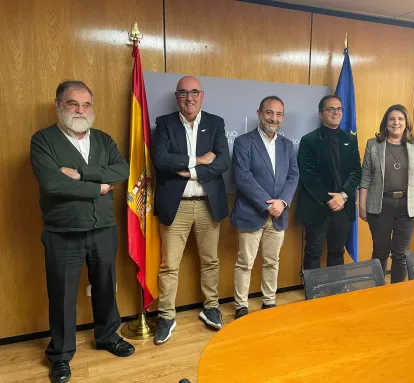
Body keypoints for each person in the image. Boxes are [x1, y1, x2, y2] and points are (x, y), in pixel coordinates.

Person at [30, 80, 134, 383]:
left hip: (103, 228)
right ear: (59, 105)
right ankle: (60, 355)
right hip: (63, 232)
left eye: (86, 104)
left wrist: (83, 175)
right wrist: (99, 187)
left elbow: (122, 170)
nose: (81, 110)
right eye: (73, 103)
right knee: (62, 294)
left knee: (105, 286)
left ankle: (106, 337)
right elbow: (53, 183)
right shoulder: (44, 140)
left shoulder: (103, 139)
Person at [152, 76, 229, 344]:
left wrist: (187, 171)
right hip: (177, 206)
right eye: (183, 93)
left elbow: (223, 161)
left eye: (194, 92)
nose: (189, 98)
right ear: (177, 97)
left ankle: (210, 308)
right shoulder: (164, 123)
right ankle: (166, 316)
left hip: (208, 205)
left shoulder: (215, 123)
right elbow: (161, 159)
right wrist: (197, 160)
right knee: (169, 265)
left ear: (202, 95)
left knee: (211, 261)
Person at [230, 96, 299, 319]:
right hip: (251, 213)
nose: (274, 118)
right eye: (269, 113)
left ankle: (269, 301)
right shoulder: (243, 142)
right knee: (245, 263)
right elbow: (243, 178)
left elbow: (293, 176)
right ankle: (241, 305)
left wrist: (283, 202)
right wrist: (269, 204)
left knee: (272, 261)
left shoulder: (287, 145)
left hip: (279, 213)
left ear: (283, 117)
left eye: (278, 114)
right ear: (259, 113)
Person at [359, 104, 414, 283]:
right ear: (385, 123)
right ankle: (378, 295)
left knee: (401, 254)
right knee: (380, 253)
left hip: (408, 207)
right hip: (380, 205)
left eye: (400, 119)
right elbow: (365, 176)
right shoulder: (373, 145)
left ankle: (396, 296)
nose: (396, 123)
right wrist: (362, 205)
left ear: (406, 123)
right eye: (391, 119)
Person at [296, 95, 361, 269]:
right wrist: (330, 199)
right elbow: (308, 175)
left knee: (337, 252)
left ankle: (336, 293)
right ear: (321, 114)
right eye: (330, 109)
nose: (336, 112)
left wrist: (343, 196)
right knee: (313, 251)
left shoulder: (350, 139)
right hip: (316, 206)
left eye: (339, 108)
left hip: (343, 207)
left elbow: (356, 171)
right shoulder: (308, 141)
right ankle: (314, 295)